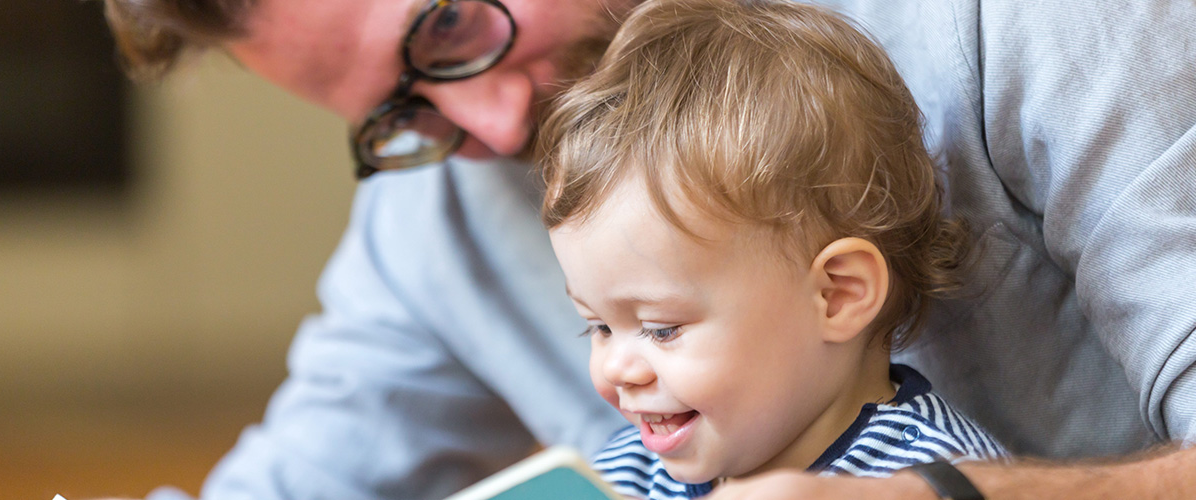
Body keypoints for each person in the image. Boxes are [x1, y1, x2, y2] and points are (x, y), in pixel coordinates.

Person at [99, 0, 1196, 498]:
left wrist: (939, 497)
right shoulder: (436, 214)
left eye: (446, 26)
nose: (485, 129)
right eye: (403, 111)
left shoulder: (1024, 20)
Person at [538, 1, 1007, 498]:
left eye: (661, 328)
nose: (615, 370)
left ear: (837, 295)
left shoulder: (929, 479)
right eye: (601, 327)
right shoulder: (624, 475)